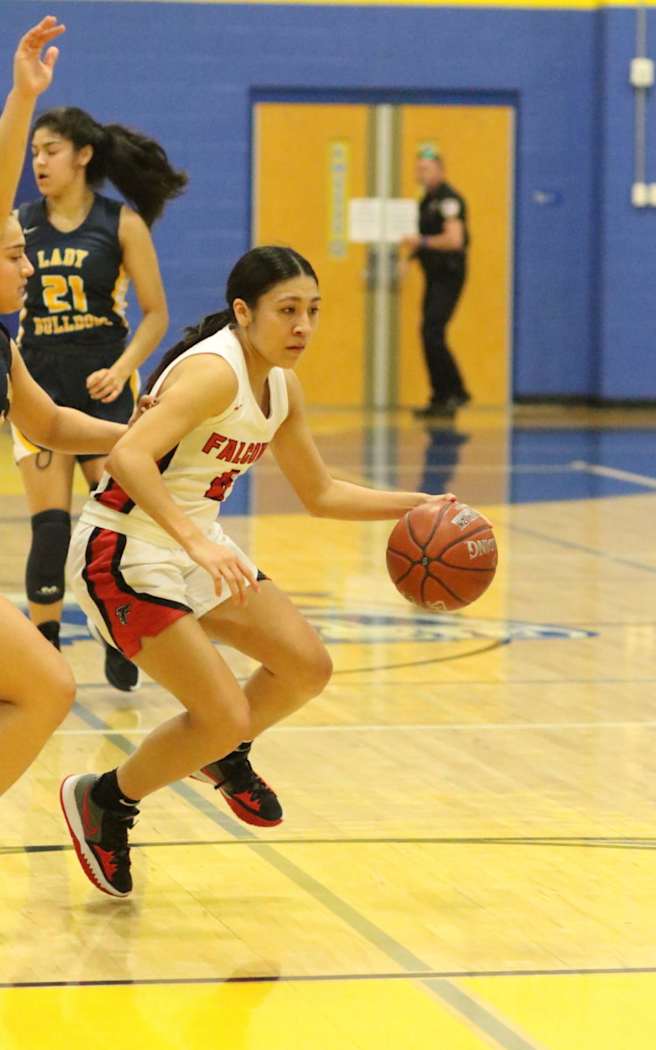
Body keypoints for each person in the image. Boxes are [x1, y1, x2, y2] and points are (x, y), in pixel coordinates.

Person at [59, 244, 457, 897]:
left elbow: (321, 493)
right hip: (122, 549)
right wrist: (194, 539)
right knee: (220, 713)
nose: (302, 327)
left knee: (307, 666)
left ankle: (221, 751)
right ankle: (104, 799)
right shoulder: (216, 373)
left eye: (313, 312)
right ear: (243, 312)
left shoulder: (279, 386)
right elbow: (128, 457)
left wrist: (418, 506)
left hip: (190, 544)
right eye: (287, 311)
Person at [0, 16, 142, 799]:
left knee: (48, 687)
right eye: (16, 254)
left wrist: (143, 427)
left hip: (90, 384)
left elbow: (48, 422)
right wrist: (22, 100)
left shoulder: (1, 346)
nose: (27, 266)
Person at [13, 96, 187, 690]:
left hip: (103, 382)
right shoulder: (21, 222)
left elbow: (157, 314)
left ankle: (119, 636)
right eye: (34, 151)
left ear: (83, 156)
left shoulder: (121, 222)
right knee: (50, 524)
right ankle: (45, 655)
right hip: (37, 380)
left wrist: (123, 367)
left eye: (51, 151)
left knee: (114, 524)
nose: (39, 162)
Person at [402, 147, 470, 420]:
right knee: (429, 333)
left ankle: (456, 391)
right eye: (419, 169)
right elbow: (425, 237)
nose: (422, 174)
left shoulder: (449, 200)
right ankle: (440, 397)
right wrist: (411, 258)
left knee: (432, 330)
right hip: (433, 275)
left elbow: (455, 240)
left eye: (427, 169)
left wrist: (423, 243)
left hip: (449, 275)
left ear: (441, 171)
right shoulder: (425, 201)